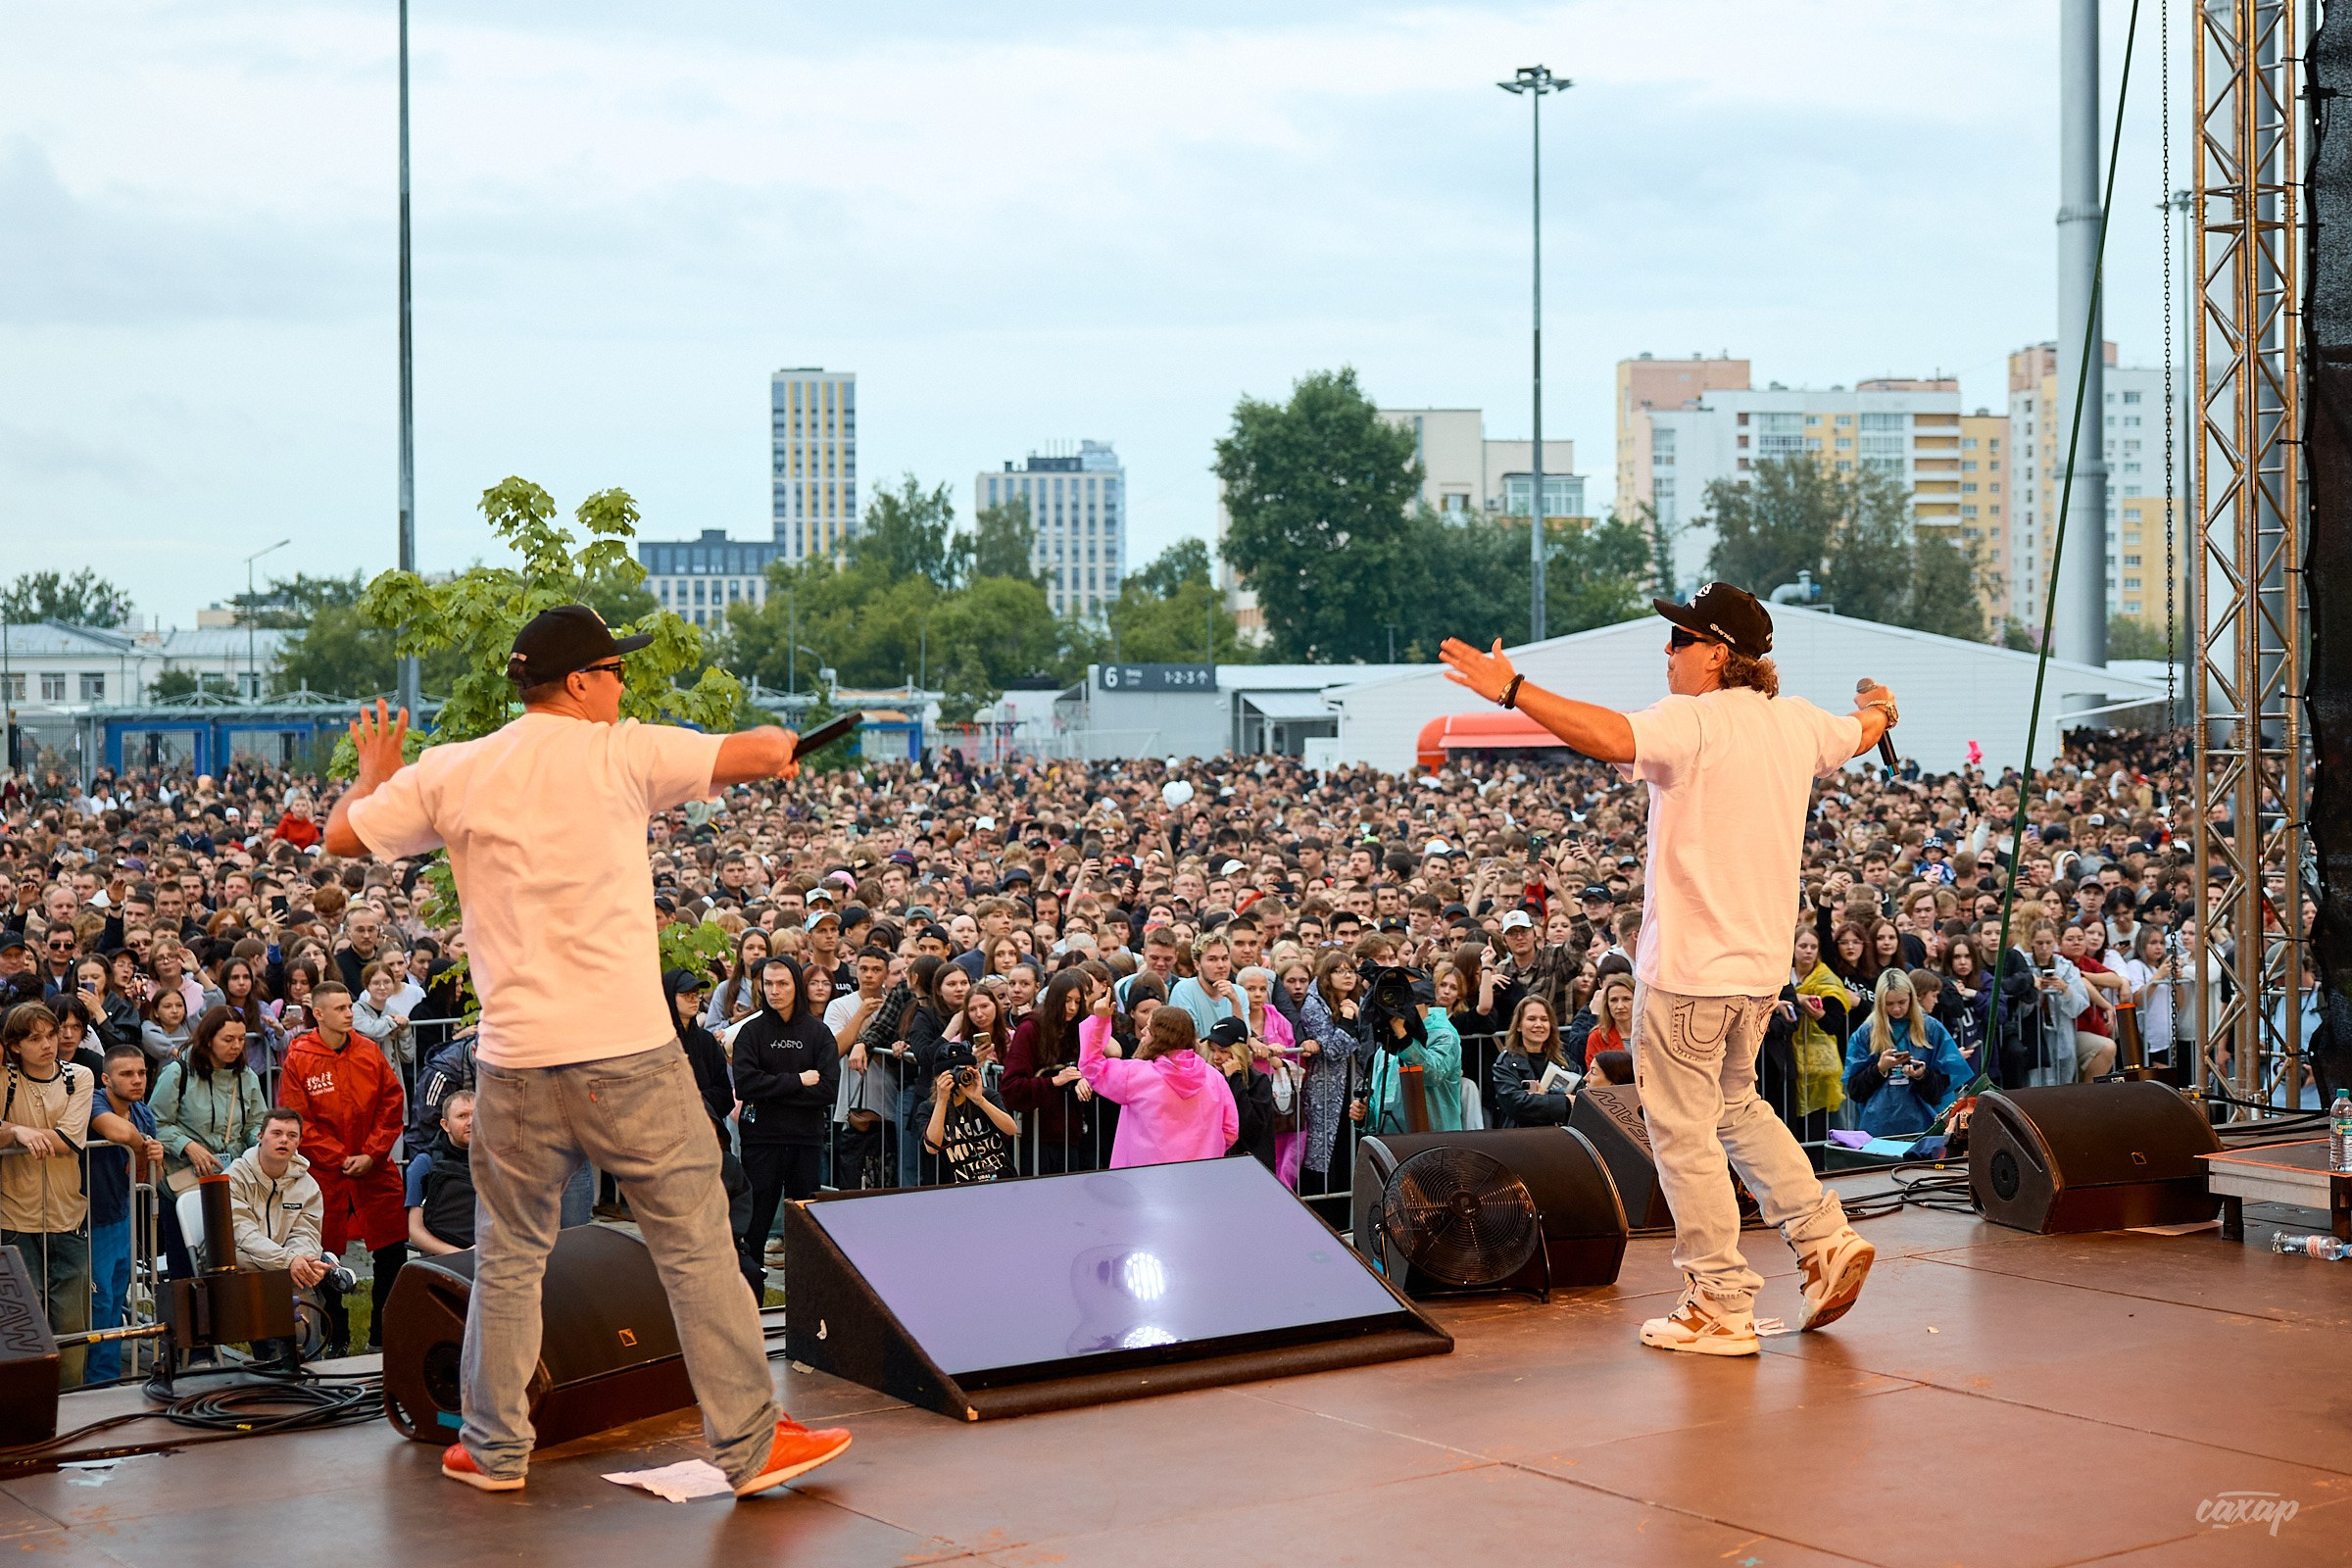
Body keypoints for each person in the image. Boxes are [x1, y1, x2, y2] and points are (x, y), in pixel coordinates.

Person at [323, 606, 850, 1496]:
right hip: (627, 1054)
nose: (623, 685)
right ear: (577, 682)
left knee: (507, 1258)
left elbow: (343, 835)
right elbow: (761, 750)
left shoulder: (454, 769)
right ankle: (752, 1447)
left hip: (512, 1063)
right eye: (614, 670)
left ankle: (491, 1449)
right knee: (695, 1245)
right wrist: (787, 748)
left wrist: (375, 776)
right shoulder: (622, 752)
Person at [1443, 579, 1890, 1356]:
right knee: (1735, 1106)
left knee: (1682, 1133)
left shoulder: (1694, 721)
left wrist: (1513, 690)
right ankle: (1823, 1237)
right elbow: (1859, 731)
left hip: (1689, 973)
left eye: (1682, 638)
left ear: (1718, 654)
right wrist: (1881, 710)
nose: (1668, 649)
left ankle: (1718, 1300)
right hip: (1759, 973)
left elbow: (1610, 735)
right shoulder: (1796, 722)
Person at [278, 982, 408, 1352]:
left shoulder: (368, 1051)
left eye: (350, 1006)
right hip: (325, 1174)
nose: (350, 1013)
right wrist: (339, 1157)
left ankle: (382, 1334)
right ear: (318, 1014)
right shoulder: (300, 1057)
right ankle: (337, 1335)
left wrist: (371, 1153)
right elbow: (297, 1118)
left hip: (374, 1169)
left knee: (392, 1247)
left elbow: (391, 1104)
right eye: (340, 1008)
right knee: (323, 1253)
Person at [0, 1001, 94, 1386]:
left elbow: (67, 1139)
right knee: (22, 1323)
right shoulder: (5, 1079)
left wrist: (12, 1131)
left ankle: (72, 1401)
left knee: (72, 1323)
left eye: (51, 1035)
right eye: (35, 1038)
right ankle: (24, 1402)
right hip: (14, 1219)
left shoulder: (80, 1076)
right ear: (15, 1045)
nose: (47, 1044)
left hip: (68, 1216)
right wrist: (16, 1131)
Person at [731, 956, 839, 1262]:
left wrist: (772, 1091)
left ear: (796, 986)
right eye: (768, 984)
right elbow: (746, 1085)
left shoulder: (818, 1033)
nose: (774, 991)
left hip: (805, 1138)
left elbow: (827, 1090)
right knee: (756, 1220)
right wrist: (798, 1081)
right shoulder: (751, 1032)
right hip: (762, 1139)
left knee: (803, 1221)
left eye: (782, 984)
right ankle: (752, 1280)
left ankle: (804, 1284)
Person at [1079, 989, 1237, 1168]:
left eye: (1149, 1028)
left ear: (1159, 1036)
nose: (1143, 1032)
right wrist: (1207, 1148)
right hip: (1200, 1174)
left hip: (1145, 1175)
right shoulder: (1214, 1078)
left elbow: (1091, 1066)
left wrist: (1100, 1020)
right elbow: (1230, 1130)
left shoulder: (1137, 1075)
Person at [85, 1040, 163, 1383]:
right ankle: (96, 1380)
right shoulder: (93, 1100)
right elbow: (117, 1131)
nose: (137, 1080)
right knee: (99, 1302)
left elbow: (150, 1177)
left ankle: (109, 1377)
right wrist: (142, 1145)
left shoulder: (144, 1112)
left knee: (117, 1298)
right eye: (127, 1074)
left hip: (122, 1214)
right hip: (90, 1217)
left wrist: (154, 1156)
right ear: (106, 1079)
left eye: (142, 1073)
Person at [1841, 969, 1972, 1139]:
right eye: (1889, 1004)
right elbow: (1855, 1090)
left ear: (1912, 997)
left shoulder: (1931, 1029)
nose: (1896, 1009)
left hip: (1925, 1127)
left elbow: (1944, 1087)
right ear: (1880, 1003)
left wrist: (1922, 1075)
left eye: (1902, 1002)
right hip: (1879, 1128)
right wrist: (1879, 1069)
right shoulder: (1866, 1033)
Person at [407, 1089, 478, 1254]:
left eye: (477, 1115)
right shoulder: (425, 1163)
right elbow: (415, 1231)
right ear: (445, 1125)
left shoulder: (498, 1160)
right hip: (444, 1257)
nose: (471, 1122)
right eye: (462, 1116)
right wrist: (460, 1255)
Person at [1491, 996, 1573, 1128]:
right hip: (1520, 1134)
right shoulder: (1506, 1063)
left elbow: (1579, 1097)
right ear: (1518, 1025)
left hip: (1560, 1133)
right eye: (1531, 1019)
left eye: (1544, 1019)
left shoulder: (1564, 1060)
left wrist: (1542, 1099)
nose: (1539, 1024)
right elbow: (1516, 1105)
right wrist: (1563, 1101)